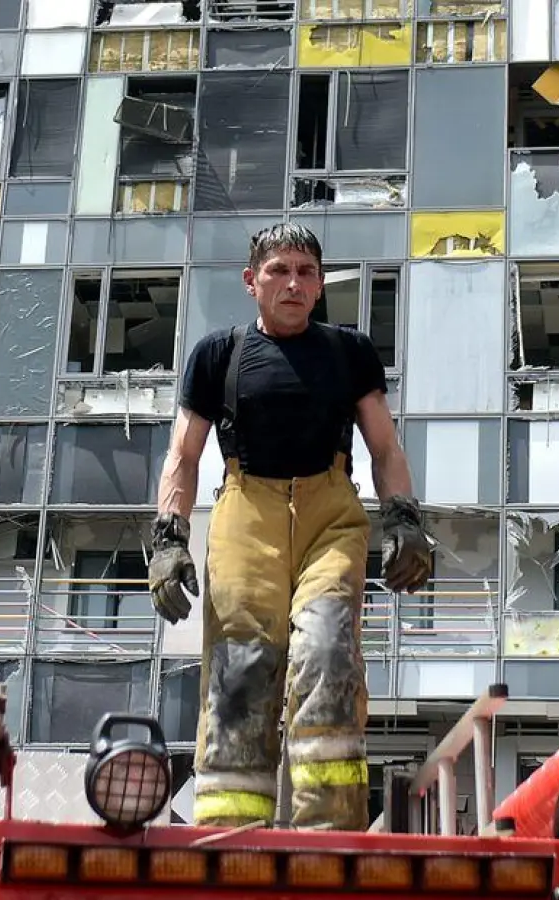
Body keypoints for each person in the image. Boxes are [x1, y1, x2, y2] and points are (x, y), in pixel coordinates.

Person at [146, 223, 433, 832]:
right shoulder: (217, 354)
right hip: (246, 516)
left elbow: (385, 447)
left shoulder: (348, 352)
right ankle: (228, 833)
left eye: (306, 272)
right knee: (240, 673)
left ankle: (330, 834)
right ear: (252, 282)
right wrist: (169, 541)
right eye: (279, 271)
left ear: (321, 283)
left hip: (331, 516)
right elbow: (184, 454)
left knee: (328, 654)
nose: (294, 283)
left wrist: (404, 520)